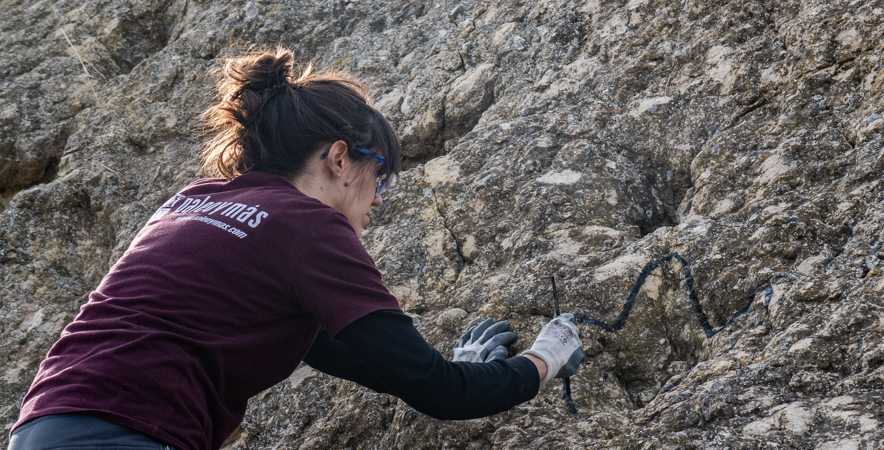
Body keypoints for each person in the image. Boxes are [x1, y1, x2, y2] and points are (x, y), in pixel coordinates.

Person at [7, 48, 584, 450]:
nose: (380, 199)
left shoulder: (195, 199)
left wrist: (458, 370)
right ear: (340, 158)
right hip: (132, 435)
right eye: (380, 176)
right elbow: (439, 394)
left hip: (41, 426)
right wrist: (544, 359)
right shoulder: (309, 227)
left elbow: (354, 356)